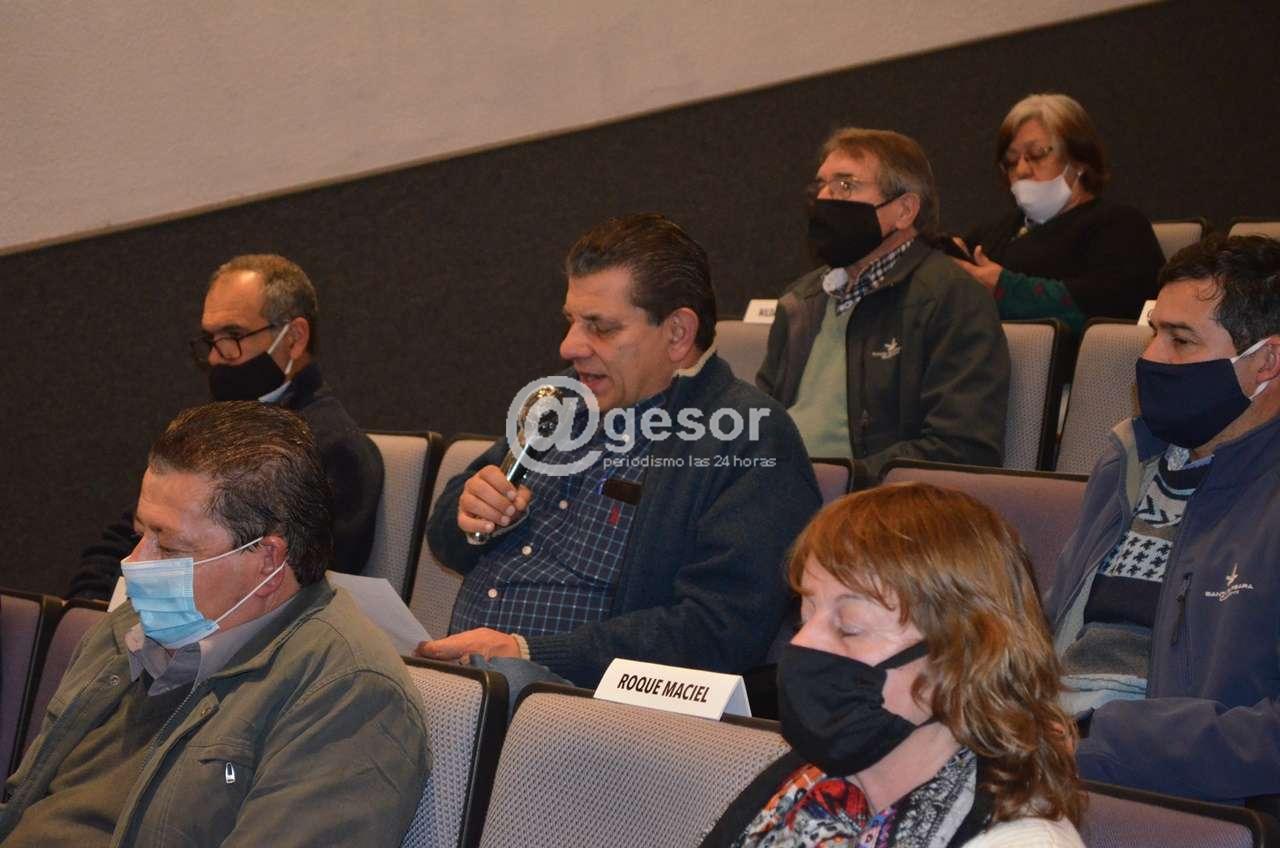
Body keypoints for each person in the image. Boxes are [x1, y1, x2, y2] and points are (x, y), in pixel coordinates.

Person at [417, 213, 822, 689]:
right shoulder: (559, 400)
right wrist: (471, 513)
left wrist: (528, 654)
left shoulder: (747, 436)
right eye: (571, 321)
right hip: (471, 685)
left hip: (587, 708)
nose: (569, 346)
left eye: (601, 328)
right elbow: (445, 539)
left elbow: (719, 630)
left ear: (677, 334)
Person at [2, 402, 429, 845]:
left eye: (169, 548)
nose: (133, 565)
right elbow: (25, 804)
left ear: (267, 560)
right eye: (139, 535)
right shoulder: (128, 628)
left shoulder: (347, 692)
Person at [703, 483, 1084, 847]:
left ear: (962, 660)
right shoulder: (799, 787)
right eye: (804, 618)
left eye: (849, 628)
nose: (801, 644)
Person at [1048, 234, 1280, 802]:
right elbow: (1050, 628)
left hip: (1166, 786)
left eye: (1181, 340)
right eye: (1154, 333)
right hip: (1050, 743)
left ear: (1267, 361)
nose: (1151, 358)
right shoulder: (1130, 459)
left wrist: (1095, 742)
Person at [69, 254, 383, 598]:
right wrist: (89, 604)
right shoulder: (208, 432)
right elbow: (132, 533)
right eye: (210, 338)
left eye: (233, 335)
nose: (216, 356)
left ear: (294, 337)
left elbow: (305, 586)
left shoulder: (334, 450)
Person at [757, 129, 1009, 487]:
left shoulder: (952, 299)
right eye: (821, 186)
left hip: (871, 504)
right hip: (781, 493)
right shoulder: (801, 300)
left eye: (845, 185)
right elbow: (761, 420)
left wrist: (838, 481)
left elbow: (962, 448)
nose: (824, 199)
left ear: (904, 210)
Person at [954, 93, 1164, 335]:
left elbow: (1111, 307)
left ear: (1079, 160)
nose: (1021, 170)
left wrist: (1006, 289)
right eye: (1010, 161)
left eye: (1037, 154)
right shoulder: (993, 233)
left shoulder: (1120, 226)